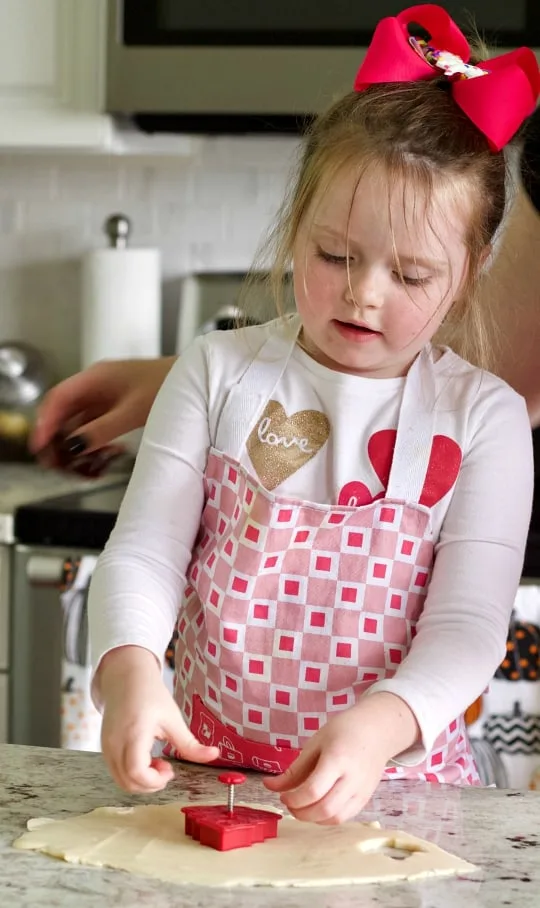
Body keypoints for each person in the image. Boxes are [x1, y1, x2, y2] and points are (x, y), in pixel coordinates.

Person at [35, 6, 540, 824]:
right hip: (209, 785)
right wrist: (128, 669)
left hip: (395, 799)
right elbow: (146, 553)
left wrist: (379, 728)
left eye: (411, 275)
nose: (363, 291)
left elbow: (469, 627)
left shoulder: (482, 419)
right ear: (294, 224)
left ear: (473, 271)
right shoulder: (217, 371)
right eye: (334, 254)